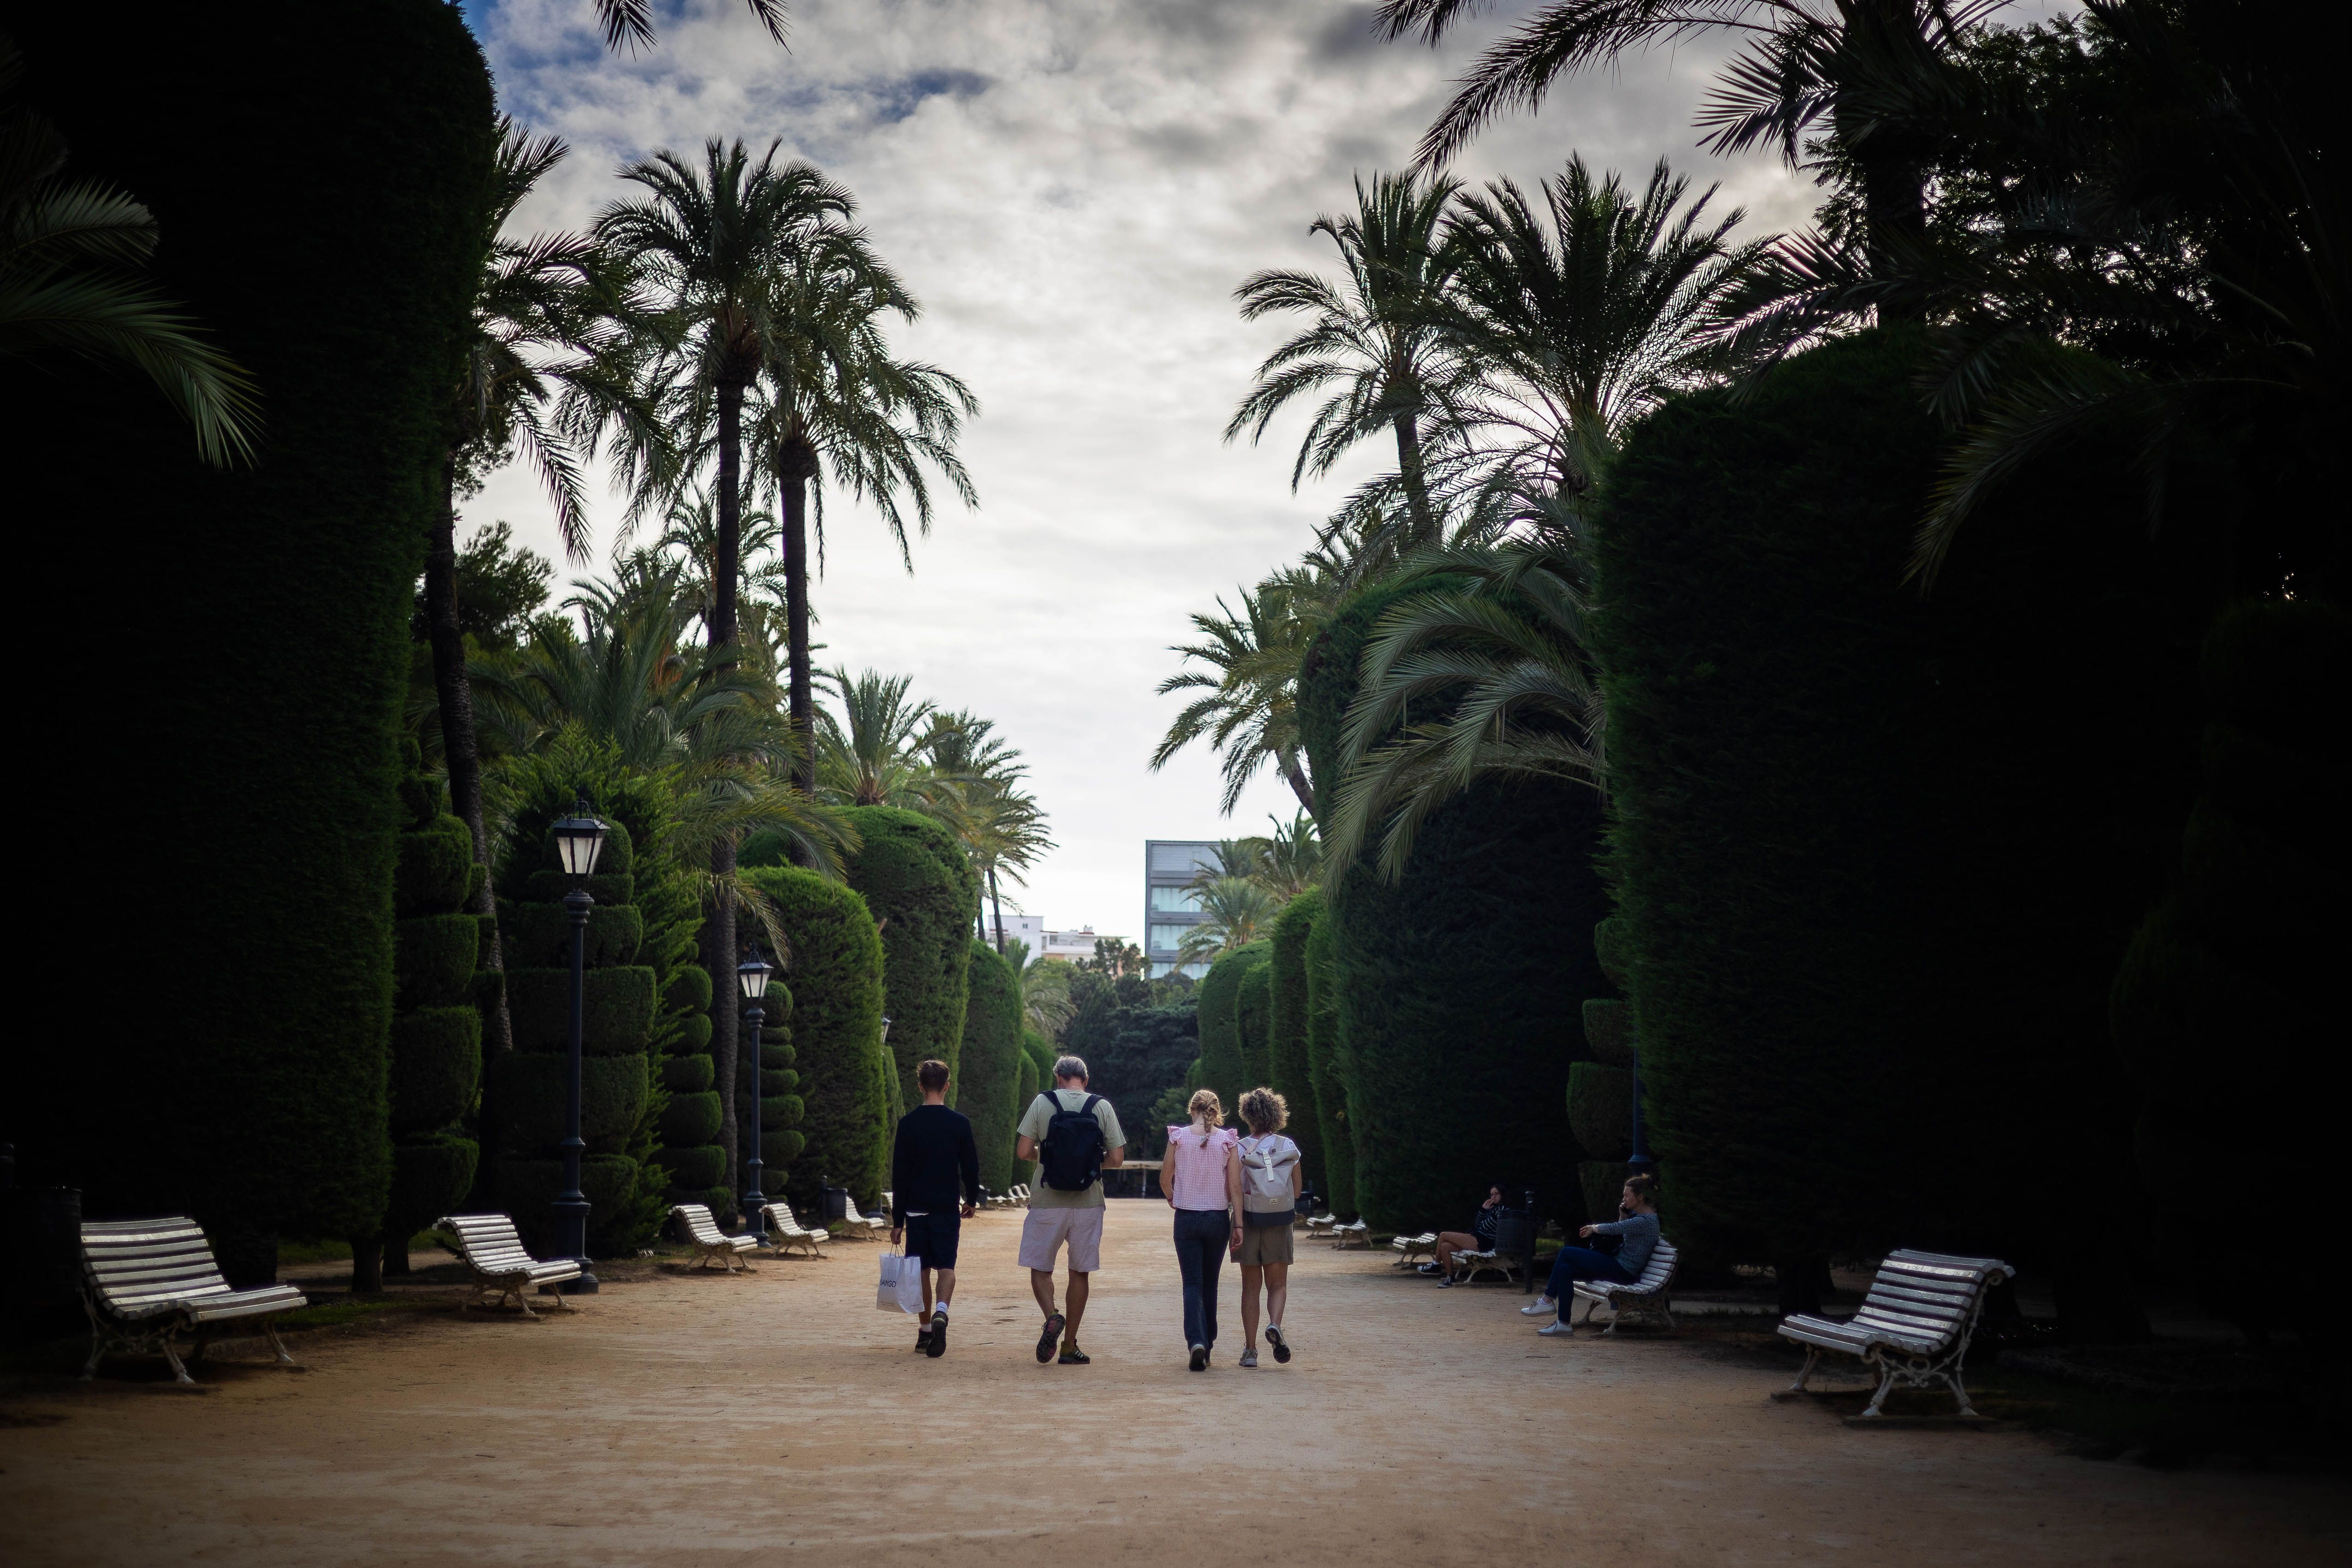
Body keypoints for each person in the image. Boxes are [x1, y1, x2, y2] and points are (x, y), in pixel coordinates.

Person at [1014, 1054, 1125, 1366]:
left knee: (1040, 1267)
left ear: (1058, 1078)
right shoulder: (1101, 1106)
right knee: (1079, 1271)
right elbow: (1116, 1158)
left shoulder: (1042, 1102)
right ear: (1085, 1080)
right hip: (1088, 1202)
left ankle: (1051, 1314)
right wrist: (1090, 1163)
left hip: (1047, 1198)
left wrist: (1047, 1156)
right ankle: (1069, 1345)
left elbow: (1024, 1150)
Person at [889, 1059, 981, 1358]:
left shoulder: (908, 1124)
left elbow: (899, 1175)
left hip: (916, 1208)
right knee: (947, 1267)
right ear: (947, 1085)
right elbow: (970, 1167)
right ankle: (942, 1311)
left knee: (920, 1271)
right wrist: (971, 1200)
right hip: (945, 1206)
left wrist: (898, 1220)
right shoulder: (959, 1123)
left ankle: (926, 1330)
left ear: (920, 1086)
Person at [1521, 1173, 1661, 1336]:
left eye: (1627, 1195)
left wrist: (1594, 1228)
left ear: (1640, 1197)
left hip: (1624, 1271)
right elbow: (1622, 1231)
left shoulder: (1646, 1221)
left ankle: (1546, 1300)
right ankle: (1563, 1324)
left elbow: (1615, 1230)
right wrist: (1622, 1216)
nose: (1624, 1198)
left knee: (1566, 1252)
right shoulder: (1639, 1217)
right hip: (1618, 1266)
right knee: (1566, 1269)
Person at [1163, 1088, 1241, 1372]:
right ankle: (1208, 1342)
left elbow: (1164, 1178)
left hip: (1186, 1218)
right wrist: (1240, 1224)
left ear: (1191, 1109)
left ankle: (1196, 1340)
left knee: (1192, 1283)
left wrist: (1174, 1197)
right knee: (1211, 1283)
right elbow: (1234, 1188)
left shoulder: (1178, 1137)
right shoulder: (1228, 1141)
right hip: (1217, 1219)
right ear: (1215, 1110)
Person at [1234, 1086, 1301, 1368]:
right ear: (1277, 1114)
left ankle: (1250, 1351)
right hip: (1279, 1220)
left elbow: (1234, 1189)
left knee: (1251, 1287)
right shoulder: (1288, 1146)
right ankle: (1275, 1324)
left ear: (1248, 1116)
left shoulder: (1239, 1148)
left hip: (1249, 1220)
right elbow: (1296, 1191)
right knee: (1278, 1285)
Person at [1426, 1184, 1506, 1285]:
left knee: (1443, 1235)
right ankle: (1451, 1278)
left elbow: (1484, 1227)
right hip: (1479, 1238)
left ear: (1502, 1194)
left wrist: (1482, 1221)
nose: (1493, 1197)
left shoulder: (1502, 1210)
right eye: (1492, 1195)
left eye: (1496, 1194)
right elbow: (1478, 1225)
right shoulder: (1493, 1209)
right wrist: (1484, 1210)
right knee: (1444, 1246)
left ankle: (1436, 1265)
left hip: (1485, 1242)